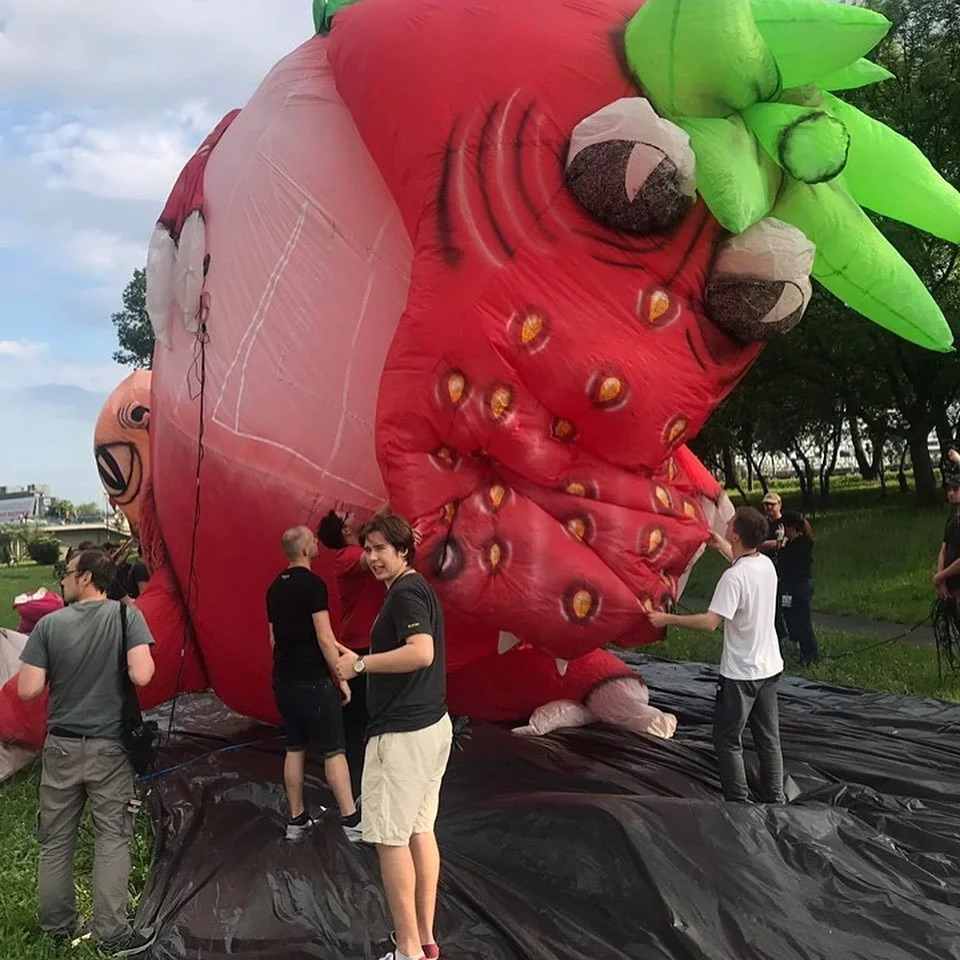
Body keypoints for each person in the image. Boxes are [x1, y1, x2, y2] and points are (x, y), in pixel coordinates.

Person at [17, 549, 157, 956]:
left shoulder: (49, 625)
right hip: (110, 749)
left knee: (56, 841)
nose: (62, 579)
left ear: (87, 578)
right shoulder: (126, 617)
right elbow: (143, 675)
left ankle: (58, 928)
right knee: (112, 838)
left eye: (68, 573)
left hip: (60, 747)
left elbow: (28, 688)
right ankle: (111, 935)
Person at [335, 513, 450, 960]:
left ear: (403, 550)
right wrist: (363, 657)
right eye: (368, 549)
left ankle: (406, 951)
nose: (373, 557)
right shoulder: (415, 590)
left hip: (402, 735)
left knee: (390, 838)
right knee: (421, 830)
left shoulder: (405, 592)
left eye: (382, 548)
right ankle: (424, 939)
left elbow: (421, 653)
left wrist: (362, 665)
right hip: (430, 727)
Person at [648, 507, 786, 805]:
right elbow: (743, 563)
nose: (726, 523)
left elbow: (710, 623)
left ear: (736, 533)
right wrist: (719, 545)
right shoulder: (765, 565)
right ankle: (775, 799)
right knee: (768, 738)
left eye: (730, 524)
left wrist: (666, 620)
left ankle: (739, 804)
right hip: (769, 667)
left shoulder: (732, 578)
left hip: (740, 676)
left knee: (727, 740)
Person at [266, 526, 361, 841]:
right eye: (313, 540)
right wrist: (340, 676)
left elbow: (273, 639)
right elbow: (324, 636)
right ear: (305, 549)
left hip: (284, 678)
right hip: (312, 680)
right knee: (334, 750)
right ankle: (351, 820)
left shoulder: (274, 589)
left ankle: (296, 820)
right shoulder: (314, 586)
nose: (318, 542)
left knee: (294, 747)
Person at [778, 511, 819, 665]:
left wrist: (781, 546)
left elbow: (786, 561)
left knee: (802, 621)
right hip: (790, 586)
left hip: (799, 586)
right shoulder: (791, 544)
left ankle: (810, 654)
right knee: (792, 619)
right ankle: (801, 650)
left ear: (792, 527)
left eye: (786, 528)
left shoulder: (802, 544)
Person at [760, 491, 788, 642]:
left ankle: (785, 636)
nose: (769, 507)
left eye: (772, 504)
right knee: (769, 606)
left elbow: (786, 542)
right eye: (766, 504)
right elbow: (756, 544)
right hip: (766, 568)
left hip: (783, 569)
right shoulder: (763, 524)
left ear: (779, 505)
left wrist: (776, 544)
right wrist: (774, 544)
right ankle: (775, 636)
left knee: (783, 606)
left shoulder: (785, 523)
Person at [933, 469, 960, 600]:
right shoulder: (951, 521)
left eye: (955, 489)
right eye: (949, 489)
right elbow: (943, 551)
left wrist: (941, 576)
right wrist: (942, 582)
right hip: (950, 588)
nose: (950, 493)